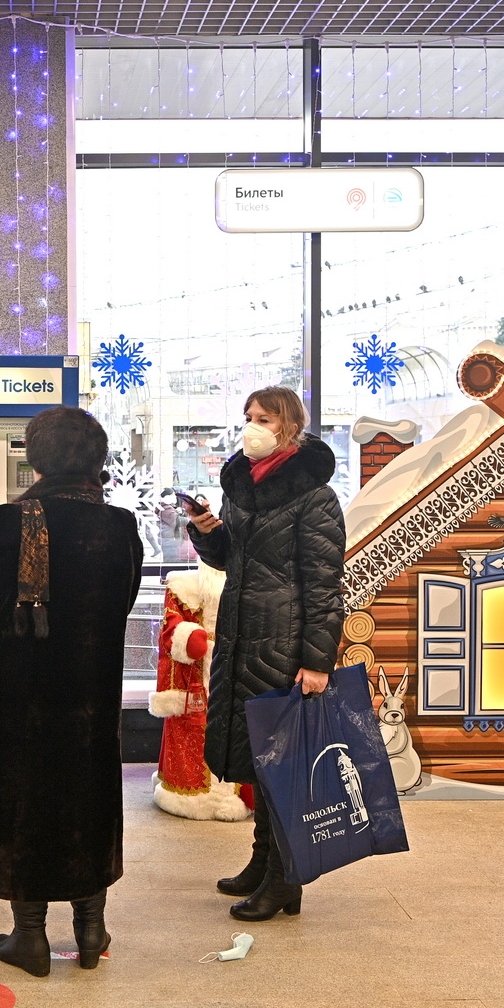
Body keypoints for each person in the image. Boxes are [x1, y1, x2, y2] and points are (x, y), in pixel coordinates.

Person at [0, 406, 144, 977]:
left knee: (24, 803)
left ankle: (29, 935)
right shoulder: (121, 527)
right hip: (92, 701)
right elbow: (121, 604)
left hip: (20, 703)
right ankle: (90, 930)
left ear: (37, 458)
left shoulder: (10, 522)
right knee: (87, 801)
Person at [186, 386, 345, 922]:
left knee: (283, 764)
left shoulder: (315, 496)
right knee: (259, 757)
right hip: (240, 634)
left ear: (290, 426)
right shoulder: (242, 486)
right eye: (248, 416)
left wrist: (319, 660)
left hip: (285, 641)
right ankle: (262, 860)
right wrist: (208, 532)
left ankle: (285, 879)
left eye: (265, 417)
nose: (253, 425)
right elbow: (234, 560)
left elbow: (325, 585)